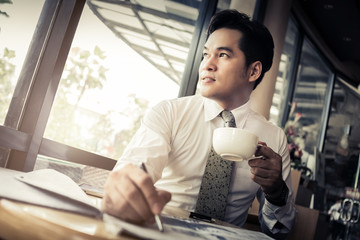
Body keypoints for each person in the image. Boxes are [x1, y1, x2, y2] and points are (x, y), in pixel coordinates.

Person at [102, 9, 296, 239]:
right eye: (206, 54)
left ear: (253, 70)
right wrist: (126, 186)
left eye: (222, 55)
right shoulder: (170, 113)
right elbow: (134, 169)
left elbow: (280, 231)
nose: (207, 64)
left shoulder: (274, 139)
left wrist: (276, 193)